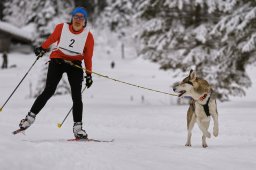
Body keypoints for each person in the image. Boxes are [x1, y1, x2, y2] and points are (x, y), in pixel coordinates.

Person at [18, 7, 94, 139]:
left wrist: (89, 75)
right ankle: (28, 119)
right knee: (49, 90)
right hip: (57, 61)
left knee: (77, 97)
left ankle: (78, 129)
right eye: (76, 17)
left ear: (85, 21)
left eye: (81, 18)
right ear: (72, 18)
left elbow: (88, 57)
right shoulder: (62, 28)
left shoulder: (88, 36)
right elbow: (52, 39)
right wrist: (42, 48)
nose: (78, 20)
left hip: (75, 65)